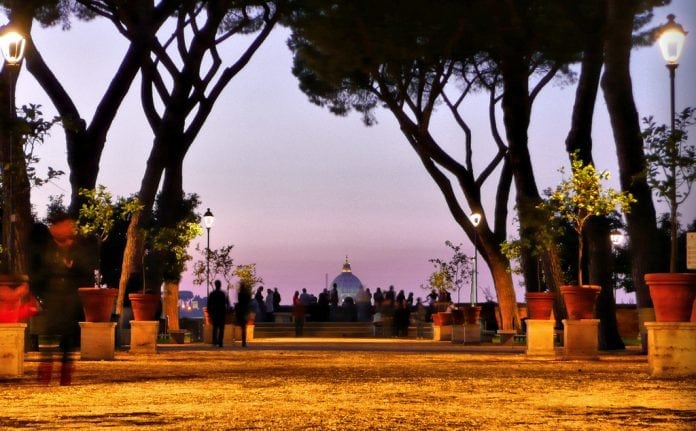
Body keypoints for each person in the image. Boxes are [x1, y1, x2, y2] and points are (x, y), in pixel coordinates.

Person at [207, 280, 229, 347]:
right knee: (221, 328)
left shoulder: (212, 294)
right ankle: (220, 342)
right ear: (220, 285)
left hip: (215, 313)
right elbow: (227, 303)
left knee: (215, 328)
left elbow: (209, 304)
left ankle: (214, 341)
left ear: (215, 285)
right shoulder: (223, 294)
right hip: (221, 313)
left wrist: (210, 313)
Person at [236, 282, 252, 347]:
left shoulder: (240, 294)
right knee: (244, 328)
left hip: (240, 311)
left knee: (242, 327)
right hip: (245, 311)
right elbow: (248, 300)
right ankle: (244, 342)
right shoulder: (246, 294)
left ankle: (243, 342)